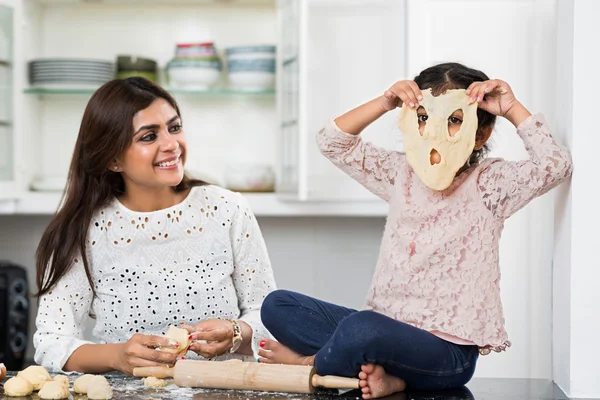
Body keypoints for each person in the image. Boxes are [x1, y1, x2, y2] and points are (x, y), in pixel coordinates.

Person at [258, 63, 573, 399]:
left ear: (480, 134)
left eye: (454, 120)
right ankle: (388, 376)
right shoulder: (400, 175)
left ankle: (311, 364)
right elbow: (332, 142)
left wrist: (509, 107)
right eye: (423, 118)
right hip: (386, 333)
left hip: (446, 353)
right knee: (277, 305)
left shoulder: (490, 184)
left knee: (361, 329)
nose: (434, 132)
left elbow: (554, 166)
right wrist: (385, 102)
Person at [33, 77, 277, 374]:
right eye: (149, 137)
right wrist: (117, 357)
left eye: (174, 128)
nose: (172, 144)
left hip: (222, 392)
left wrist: (235, 332)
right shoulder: (86, 231)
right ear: (113, 159)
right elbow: (51, 342)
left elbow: (269, 317)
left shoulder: (227, 209)